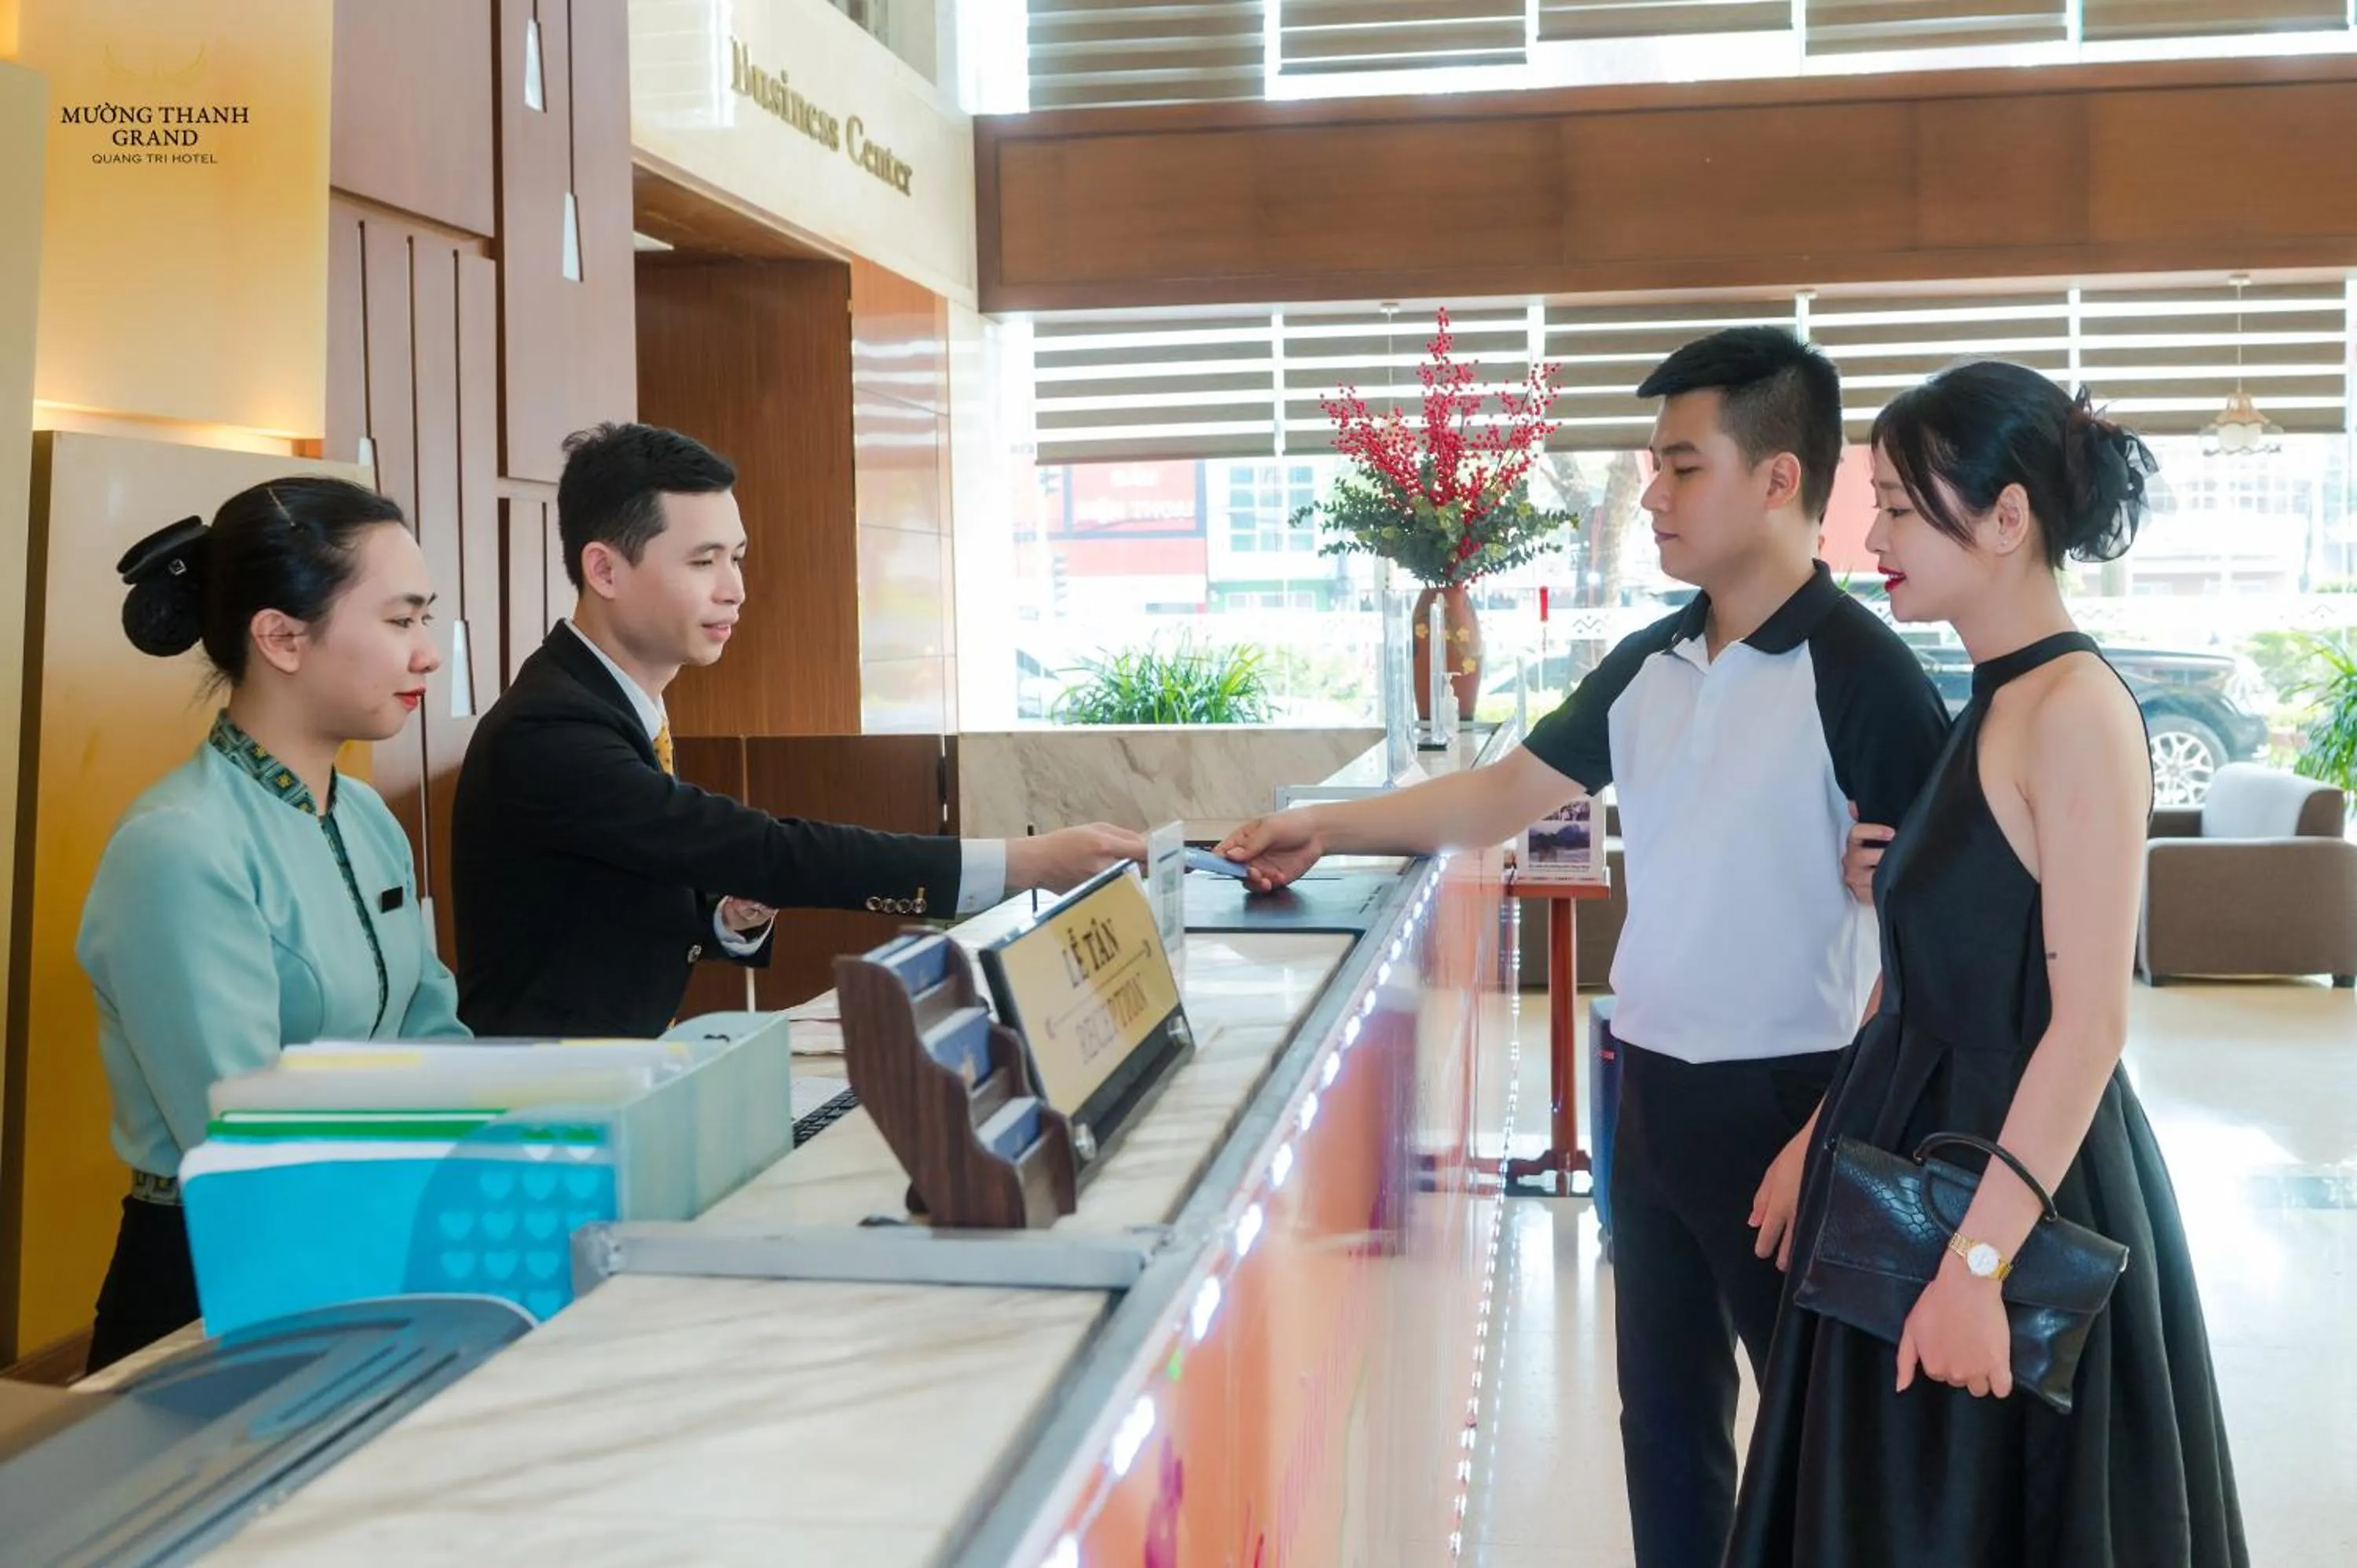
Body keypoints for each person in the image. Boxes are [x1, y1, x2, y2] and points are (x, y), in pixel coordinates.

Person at [1217, 328, 1951, 1568]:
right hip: (1648, 1091)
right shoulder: (1651, 661)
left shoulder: (1864, 675)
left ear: (1779, 479)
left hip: (1794, 1105)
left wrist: (1829, 1132)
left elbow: (1936, 941)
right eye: (1654, 467)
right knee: (1663, 1424)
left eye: (1683, 466)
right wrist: (1324, 827)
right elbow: (1498, 796)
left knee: (1820, 1436)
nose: (1654, 495)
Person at [1727, 362, 2248, 1568]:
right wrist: (1820, 1134)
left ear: (2007, 518)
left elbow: (2088, 1023)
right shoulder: (1997, 701)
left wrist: (1976, 1266)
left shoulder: (2075, 711)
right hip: (1917, 1172)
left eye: (1901, 510)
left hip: (2002, 1188)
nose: (1874, 540)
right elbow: (1932, 967)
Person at [451, 423, 1144, 1039]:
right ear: (604, 569)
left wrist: (721, 917)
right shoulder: (549, 728)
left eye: (737, 557)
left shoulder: (617, 699)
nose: (735, 588)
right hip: (544, 1105)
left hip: (623, 1073)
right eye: (703, 561)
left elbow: (620, 880)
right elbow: (761, 849)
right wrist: (1024, 864)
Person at [77, 480, 468, 1372]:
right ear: (282, 637)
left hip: (364, 1245)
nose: (428, 653)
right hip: (212, 1276)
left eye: (426, 618)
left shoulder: (365, 816)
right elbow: (246, 1135)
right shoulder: (179, 845)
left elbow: (434, 1040)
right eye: (401, 620)